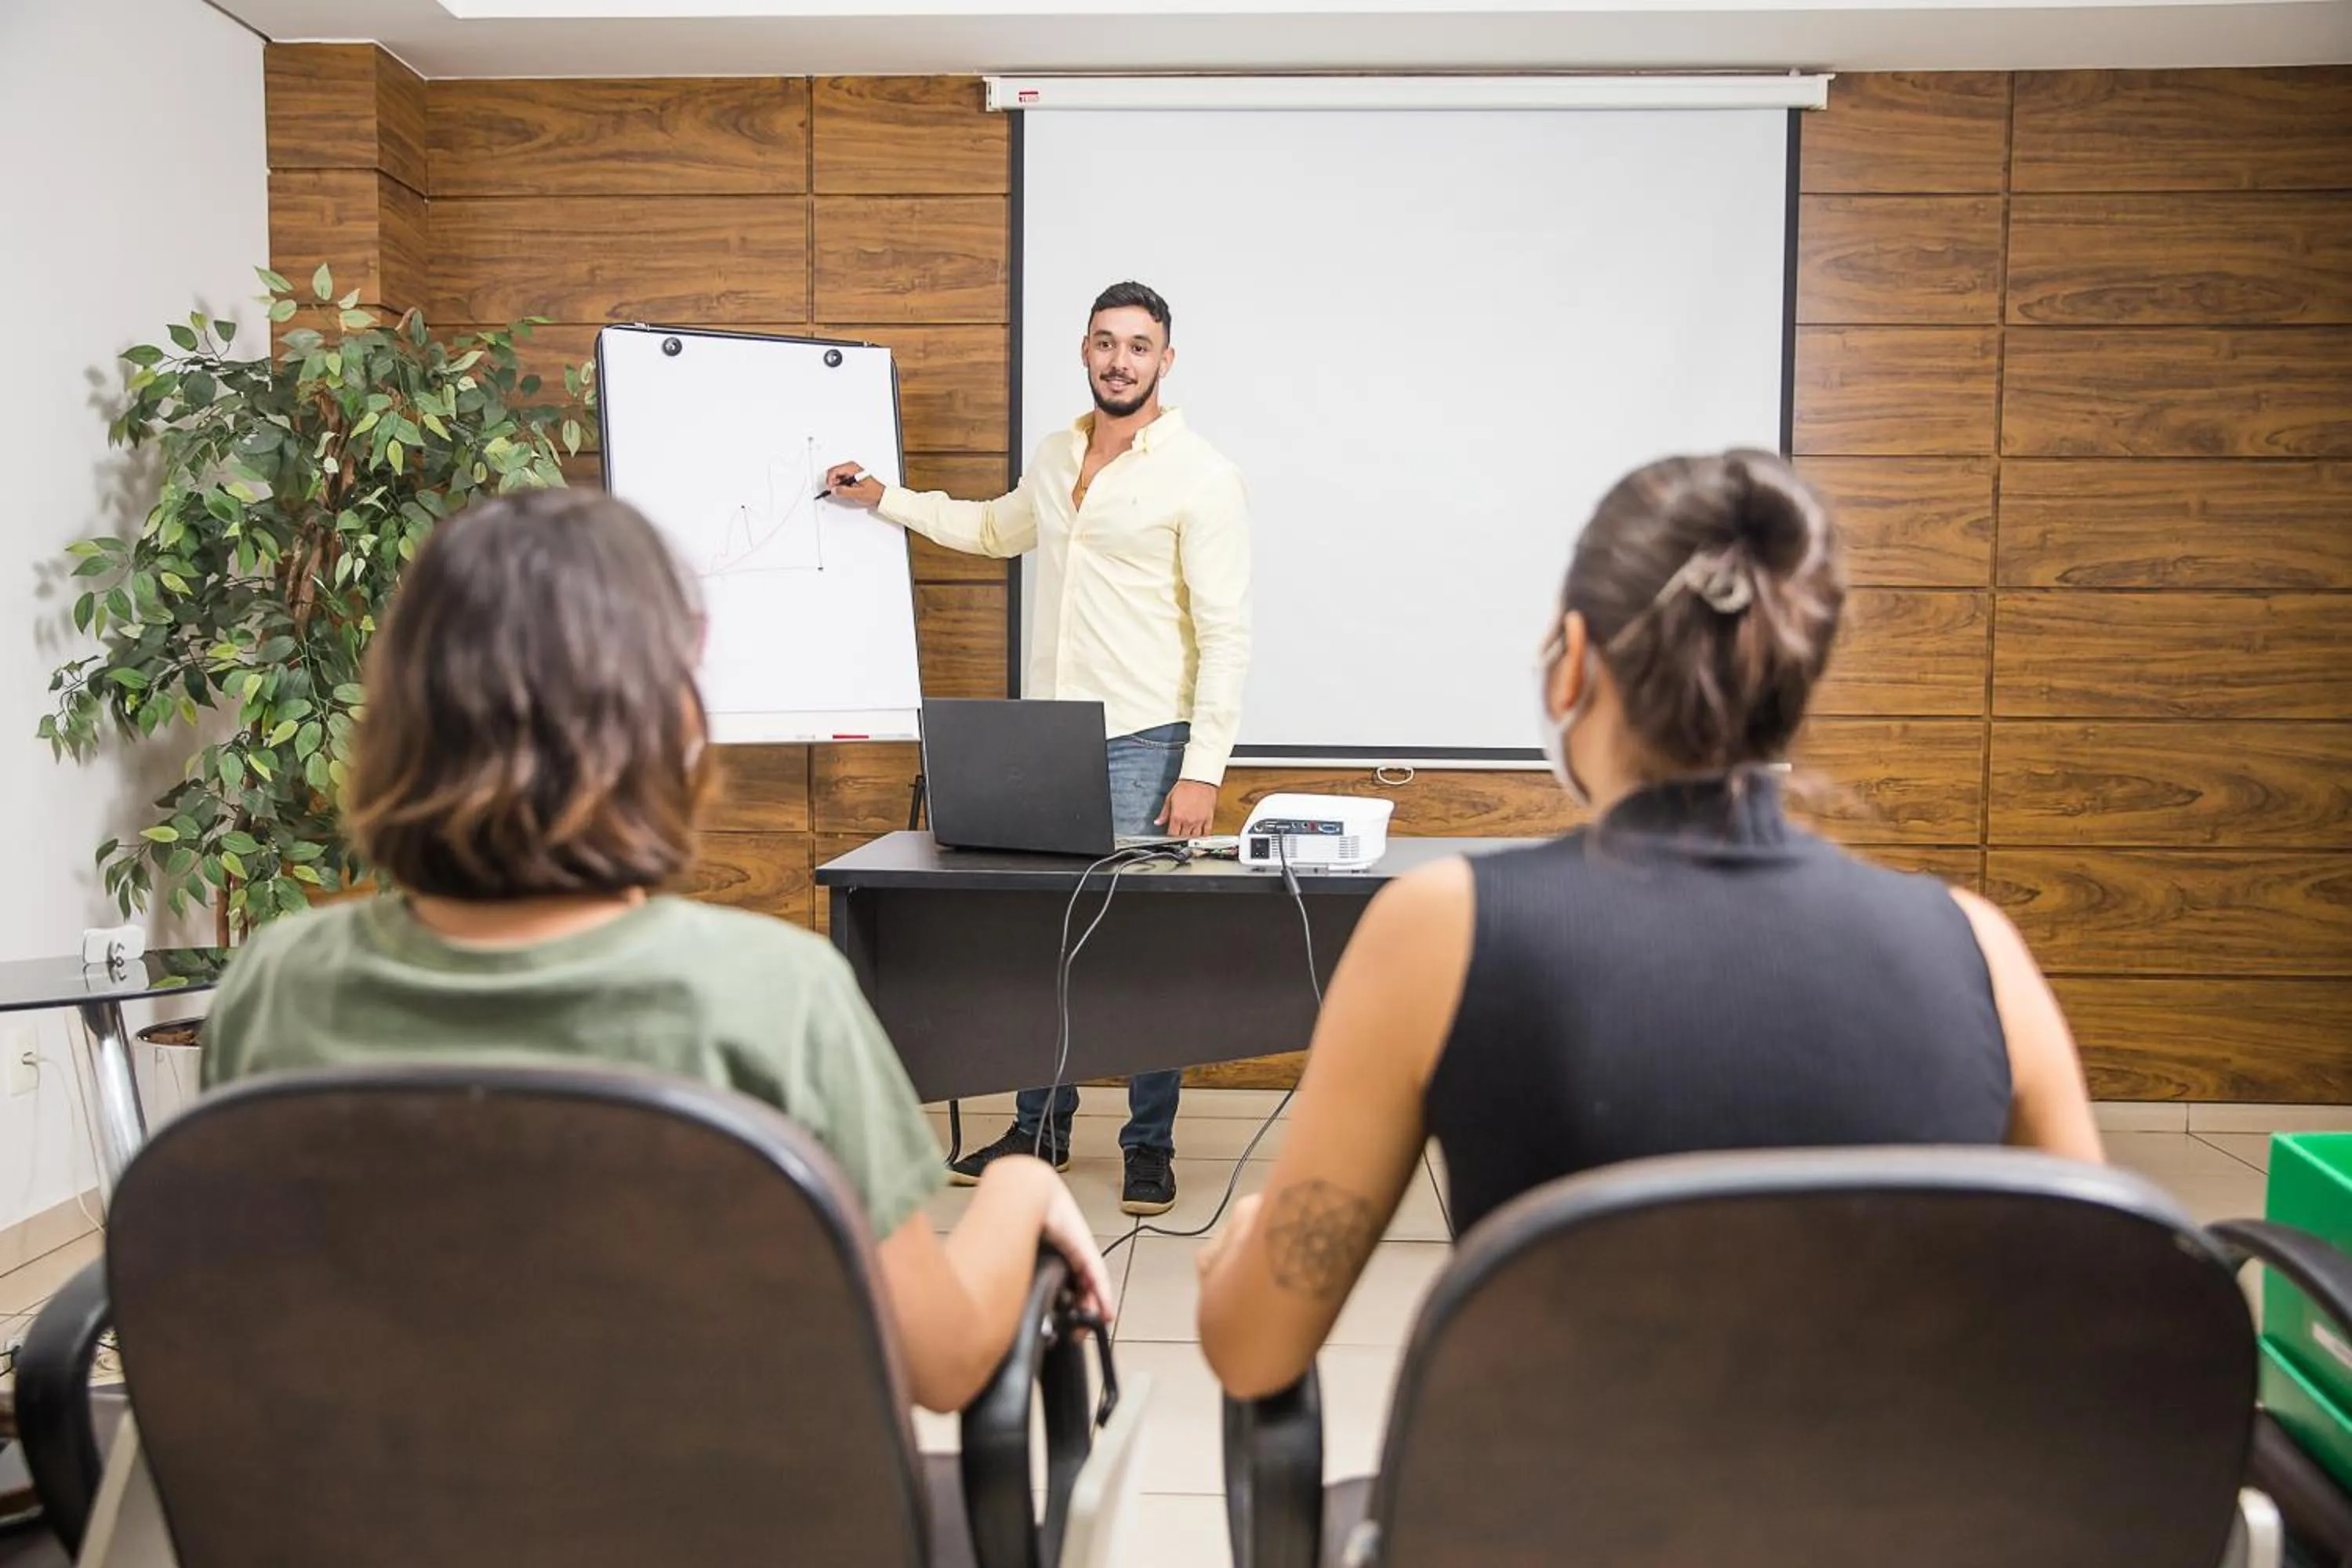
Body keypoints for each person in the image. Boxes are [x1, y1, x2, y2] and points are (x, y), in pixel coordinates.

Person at [1195, 449, 2103, 1399]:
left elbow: (1255, 1349)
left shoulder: (1441, 930)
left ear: (1572, 663)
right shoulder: (1980, 949)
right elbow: (2109, 1320)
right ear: (1794, 679)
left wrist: (1247, 1246)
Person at [200, 488, 1114, 1415]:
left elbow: (254, 1317)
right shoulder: (776, 996)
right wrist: (1021, 1183)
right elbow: (943, 1364)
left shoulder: (274, 985)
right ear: (666, 726)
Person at [823, 281, 1251, 1218]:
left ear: (1165, 361)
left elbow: (1226, 635)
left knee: (1140, 954)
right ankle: (1039, 1130)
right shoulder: (1058, 456)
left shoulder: (1202, 476)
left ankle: (1148, 1145)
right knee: (1041, 941)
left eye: (1138, 345)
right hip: (1049, 741)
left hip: (1147, 738)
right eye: (1105, 342)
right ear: (1085, 350)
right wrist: (884, 499)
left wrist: (1202, 768)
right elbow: (992, 529)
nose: (1120, 360)